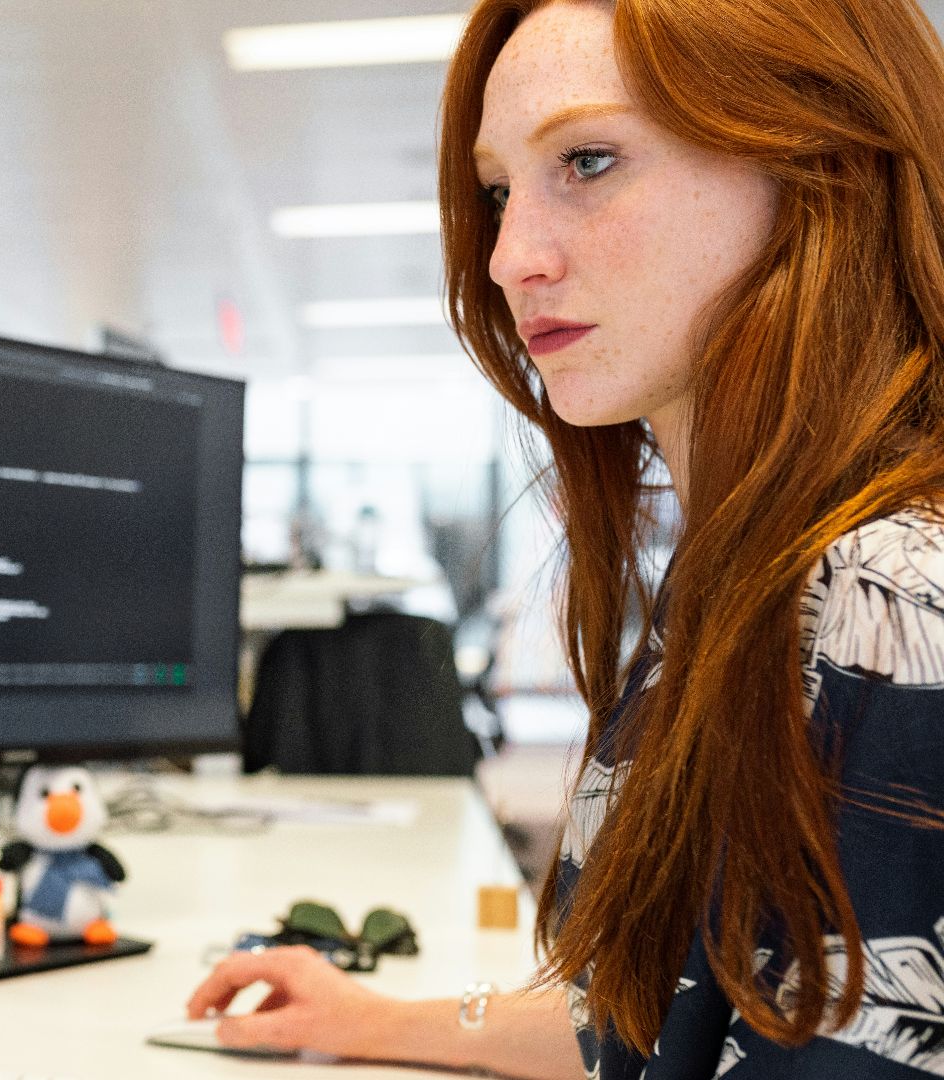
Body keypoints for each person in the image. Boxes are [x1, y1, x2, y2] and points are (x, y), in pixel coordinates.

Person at [187, 0, 944, 1076]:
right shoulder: (755, 570)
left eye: (588, 160)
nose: (506, 257)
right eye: (499, 191)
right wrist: (373, 1023)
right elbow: (678, 1017)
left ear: (822, 161)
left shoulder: (889, 602)